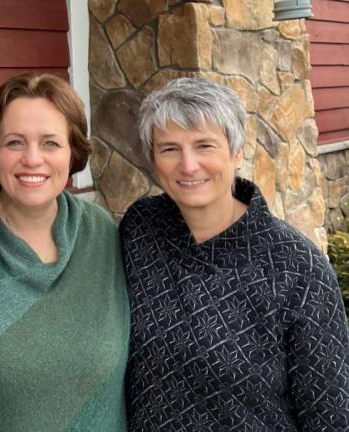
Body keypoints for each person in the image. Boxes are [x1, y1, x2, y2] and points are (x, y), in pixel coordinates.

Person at [121, 77, 349, 431]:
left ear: (237, 152)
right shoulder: (141, 230)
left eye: (205, 146)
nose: (188, 165)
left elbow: (330, 415)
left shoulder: (296, 268)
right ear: (153, 160)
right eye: (169, 149)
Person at [0, 73, 129, 431]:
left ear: (73, 151)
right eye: (15, 142)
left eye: (50, 143)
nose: (32, 159)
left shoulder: (101, 235)